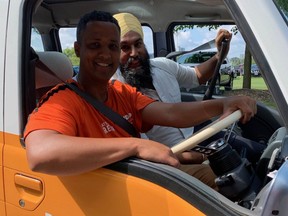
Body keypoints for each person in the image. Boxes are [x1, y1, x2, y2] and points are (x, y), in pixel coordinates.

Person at [24, 11, 256, 190]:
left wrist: (223, 104)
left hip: (141, 178)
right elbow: (40, 154)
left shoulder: (120, 92)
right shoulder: (61, 100)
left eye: (113, 46)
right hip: (113, 188)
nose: (106, 54)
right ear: (78, 49)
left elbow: (172, 113)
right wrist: (135, 145)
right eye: (95, 46)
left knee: (232, 180)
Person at [113, 12, 266, 165]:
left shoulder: (163, 65)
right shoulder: (116, 91)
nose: (134, 53)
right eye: (125, 47)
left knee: (260, 155)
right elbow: (147, 150)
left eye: (138, 44)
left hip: (200, 134)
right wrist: (202, 157)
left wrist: (219, 55)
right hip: (172, 156)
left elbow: (196, 76)